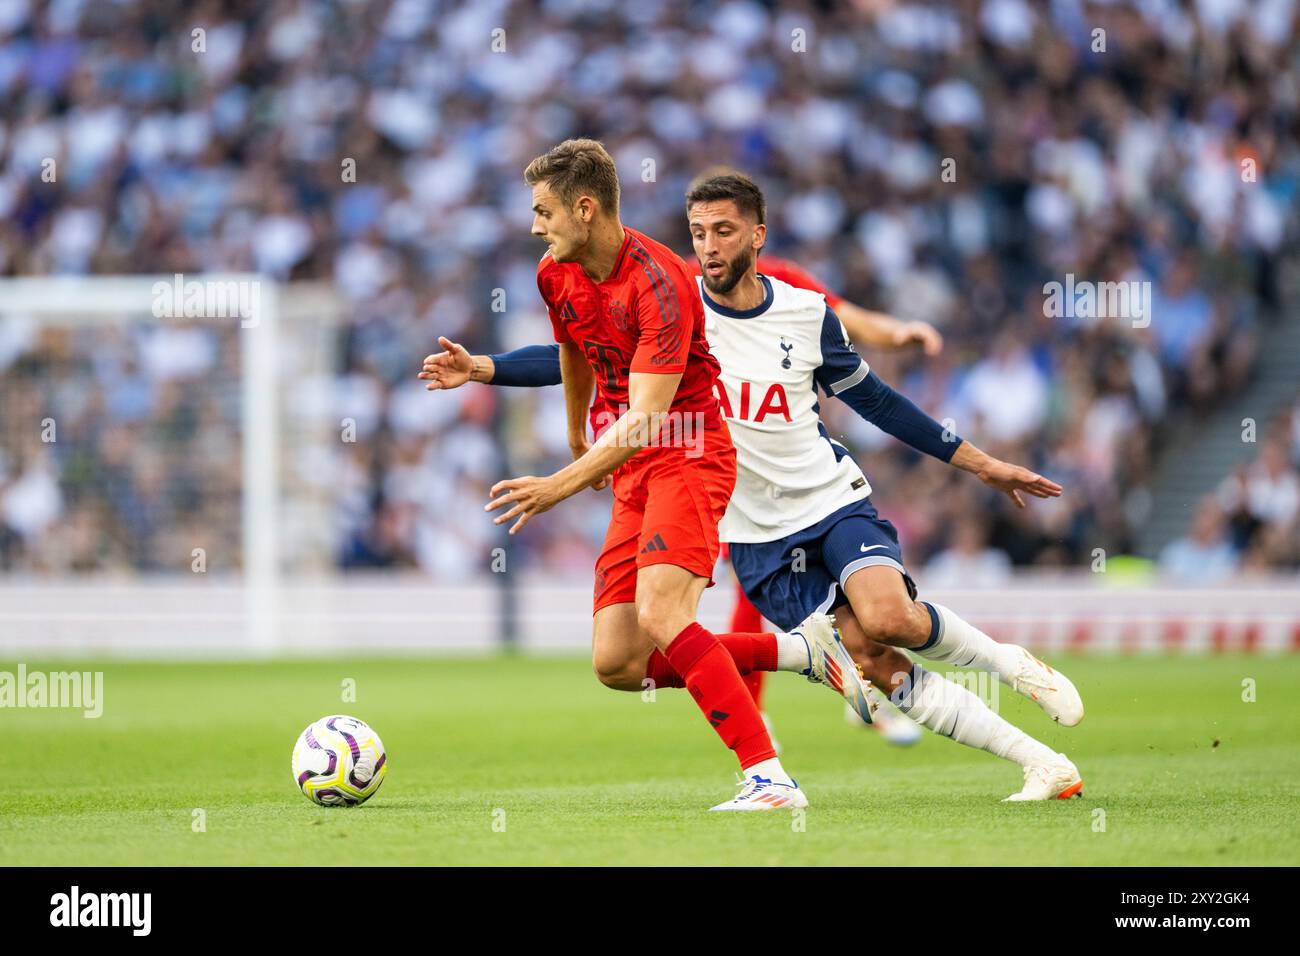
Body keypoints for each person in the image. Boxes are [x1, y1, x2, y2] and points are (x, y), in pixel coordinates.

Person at [425, 170, 1087, 801]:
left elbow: (878, 402)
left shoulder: (803, 312)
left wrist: (982, 464)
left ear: (758, 235)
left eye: (724, 231)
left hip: (828, 500)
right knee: (873, 660)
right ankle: (1042, 764)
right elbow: (586, 356)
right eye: (699, 232)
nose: (709, 247)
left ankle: (1008, 663)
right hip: (753, 536)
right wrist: (484, 367)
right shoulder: (673, 300)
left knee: (889, 617)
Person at [475, 140, 876, 811]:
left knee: (664, 613)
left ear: (584, 207)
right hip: (634, 467)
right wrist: (578, 428)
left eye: (543, 211)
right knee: (618, 664)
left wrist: (560, 480)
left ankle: (769, 778)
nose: (534, 225)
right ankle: (803, 654)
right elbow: (573, 347)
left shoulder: (658, 281)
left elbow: (648, 417)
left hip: (690, 455)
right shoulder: (555, 272)